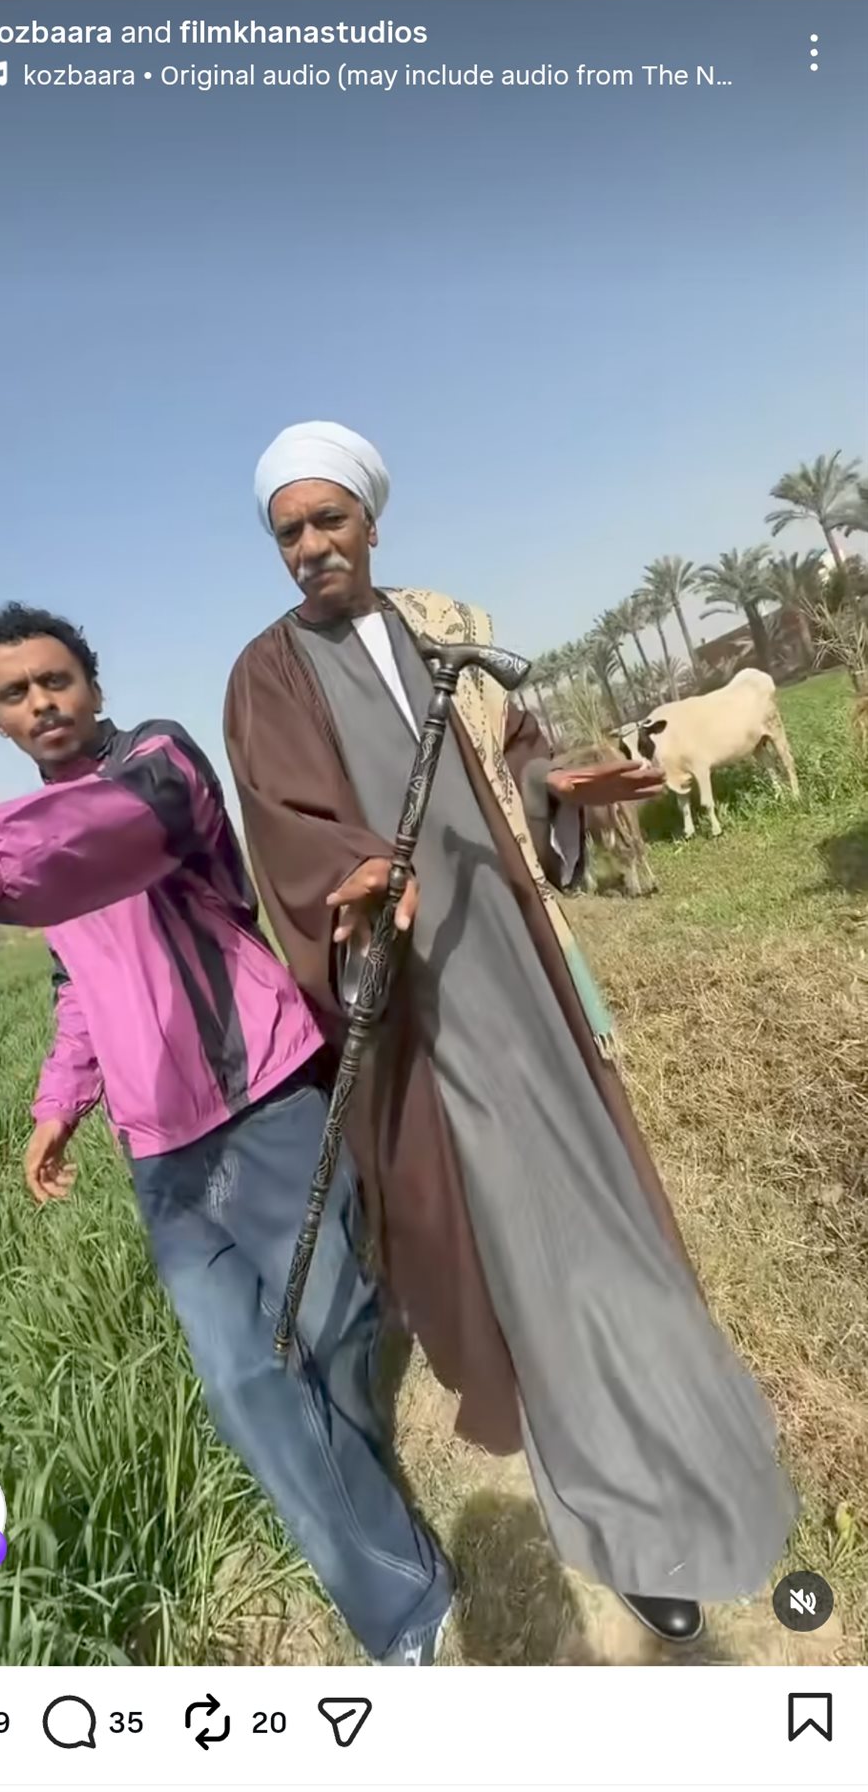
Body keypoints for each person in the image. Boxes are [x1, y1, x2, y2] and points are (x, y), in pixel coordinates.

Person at [223, 420, 799, 1645]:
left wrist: (558, 786)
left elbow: (516, 751)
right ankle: (625, 1525)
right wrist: (352, 876)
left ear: (371, 521)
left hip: (526, 971)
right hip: (427, 1013)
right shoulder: (265, 674)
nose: (312, 545)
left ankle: (689, 1449)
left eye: (329, 520)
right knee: (529, 1259)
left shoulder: (445, 629)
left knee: (612, 1226)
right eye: (289, 532)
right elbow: (283, 825)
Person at [0, 603, 454, 1664]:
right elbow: (76, 989)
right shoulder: (41, 860)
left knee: (333, 1322)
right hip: (161, 1154)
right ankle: (401, 1602)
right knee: (243, 1379)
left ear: (91, 682)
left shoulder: (156, 768)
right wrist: (55, 1107)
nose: (42, 703)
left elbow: (103, 832)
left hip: (263, 1098)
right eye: (14, 695)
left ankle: (358, 1430)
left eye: (56, 680)